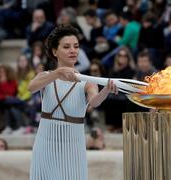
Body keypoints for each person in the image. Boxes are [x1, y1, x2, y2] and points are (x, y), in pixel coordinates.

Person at [28, 25, 118, 180]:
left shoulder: (87, 81)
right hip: (45, 144)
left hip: (73, 147)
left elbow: (94, 102)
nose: (73, 50)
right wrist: (57, 73)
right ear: (55, 51)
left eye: (76, 46)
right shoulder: (46, 76)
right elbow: (31, 87)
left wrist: (106, 91)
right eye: (66, 47)